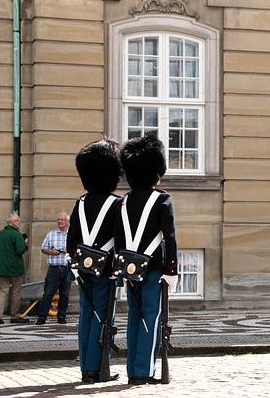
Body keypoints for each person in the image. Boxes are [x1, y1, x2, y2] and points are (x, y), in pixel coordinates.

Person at [115, 135, 178, 385]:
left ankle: (133, 369)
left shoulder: (124, 201)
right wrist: (171, 270)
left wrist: (121, 269)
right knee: (150, 318)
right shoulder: (162, 199)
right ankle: (144, 371)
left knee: (134, 317)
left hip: (130, 269)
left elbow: (120, 239)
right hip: (153, 268)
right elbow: (170, 238)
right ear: (156, 171)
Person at [67, 139, 123, 383]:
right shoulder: (116, 203)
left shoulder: (80, 203)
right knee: (103, 316)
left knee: (86, 316)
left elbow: (71, 240)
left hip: (82, 267)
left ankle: (86, 368)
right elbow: (122, 239)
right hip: (106, 268)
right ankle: (99, 368)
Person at [36, 212, 71, 325]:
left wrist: (69, 249)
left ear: (67, 222)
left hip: (67, 268)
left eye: (62, 220)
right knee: (48, 293)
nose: (60, 221)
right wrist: (51, 251)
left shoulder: (72, 235)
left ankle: (61, 316)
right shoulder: (51, 234)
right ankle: (42, 317)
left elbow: (78, 250)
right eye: (58, 219)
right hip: (54, 268)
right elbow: (43, 248)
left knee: (65, 294)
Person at [0, 214, 29, 324]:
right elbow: (20, 250)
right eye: (18, 221)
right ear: (14, 222)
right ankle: (14, 316)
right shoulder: (16, 234)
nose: (20, 223)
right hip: (15, 268)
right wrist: (25, 244)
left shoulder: (0, 234)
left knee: (3, 291)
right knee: (16, 292)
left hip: (2, 268)